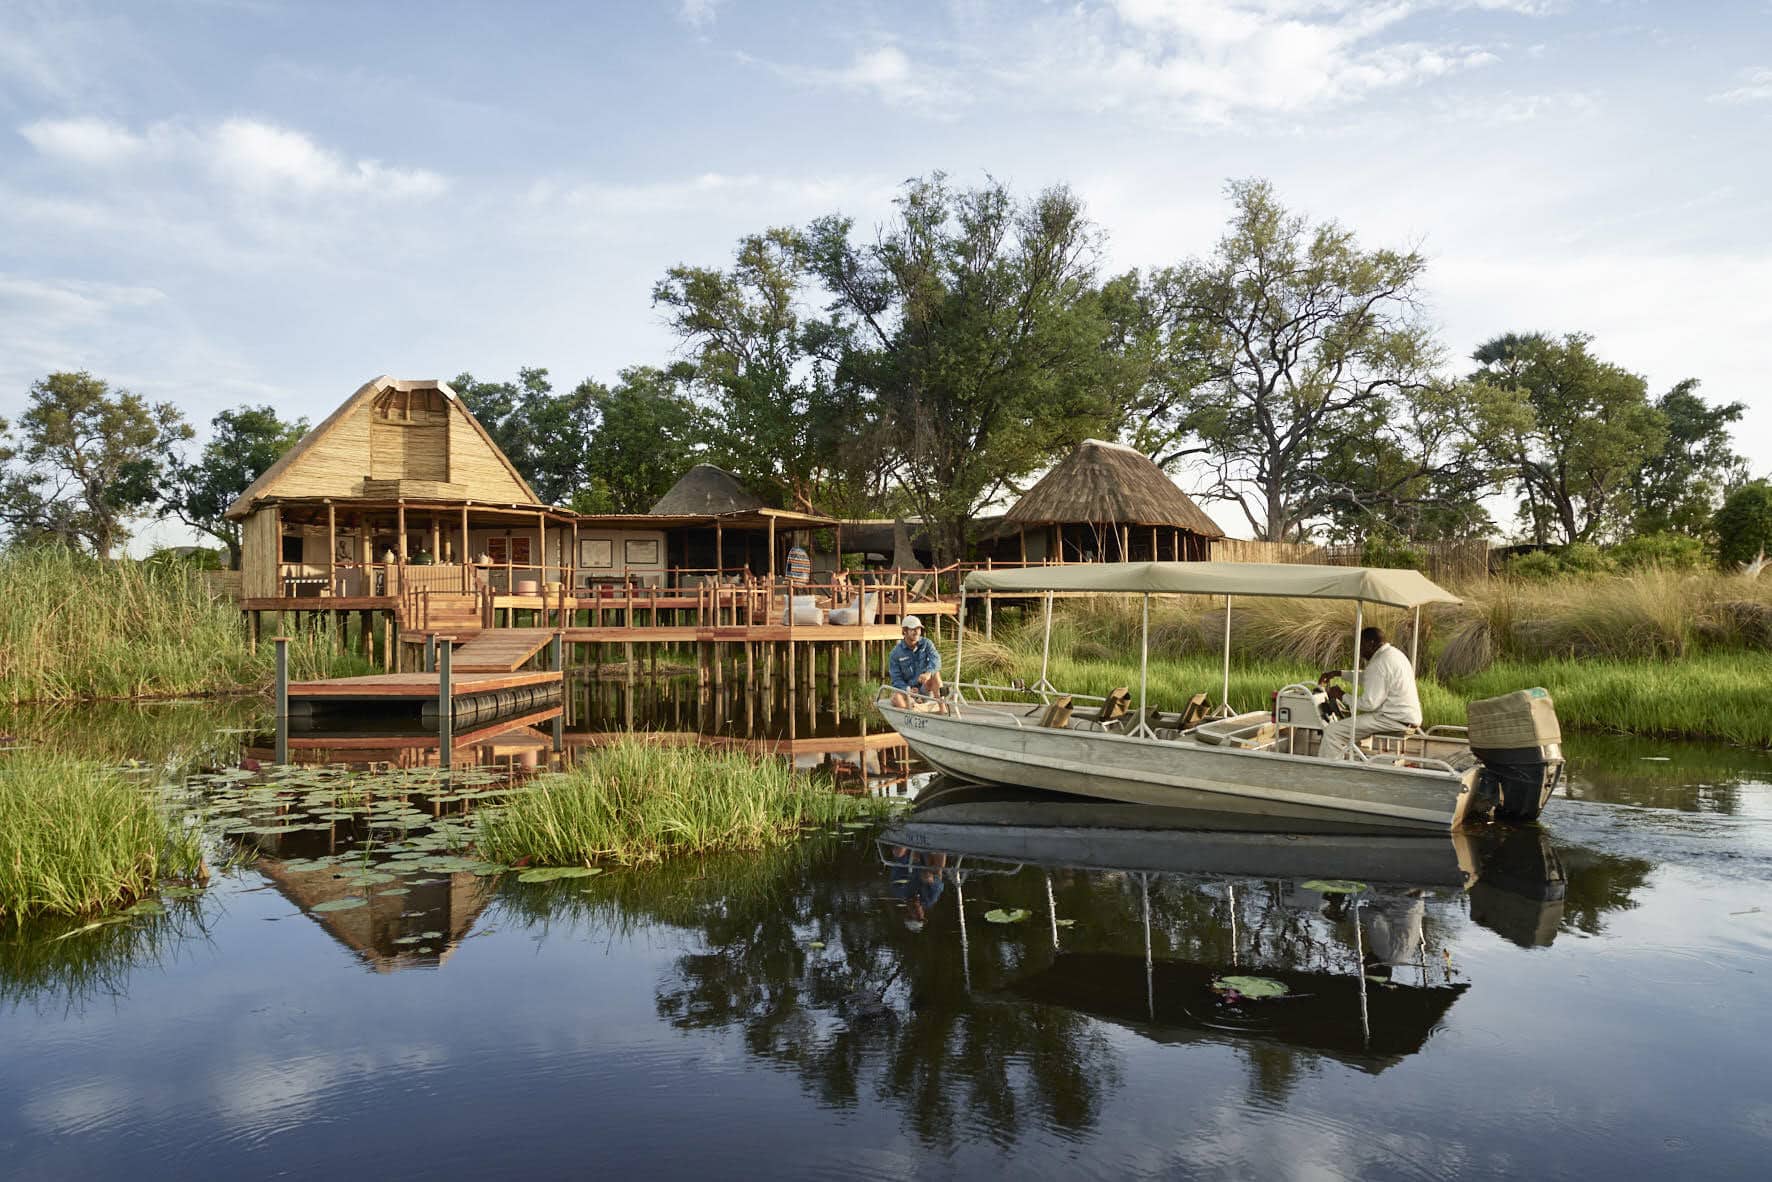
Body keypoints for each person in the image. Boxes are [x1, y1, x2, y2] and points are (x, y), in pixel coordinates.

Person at [1317, 625, 1422, 760]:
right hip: (1406, 718)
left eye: (1361, 646)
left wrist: (1342, 695)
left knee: (1333, 731)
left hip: (1393, 719)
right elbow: (1370, 678)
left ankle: (1331, 769)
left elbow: (1369, 704)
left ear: (1370, 643)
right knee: (1347, 727)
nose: (1359, 651)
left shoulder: (1379, 664)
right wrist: (1339, 673)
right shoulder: (1393, 654)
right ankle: (1345, 761)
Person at [888, 616, 943, 708]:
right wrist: (908, 689)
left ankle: (943, 710)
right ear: (905, 631)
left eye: (919, 628)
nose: (917, 632)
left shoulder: (927, 643)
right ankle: (913, 710)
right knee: (896, 698)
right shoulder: (895, 653)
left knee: (935, 674)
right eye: (913, 629)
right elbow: (896, 678)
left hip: (925, 687)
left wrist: (928, 673)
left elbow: (936, 660)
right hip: (908, 690)